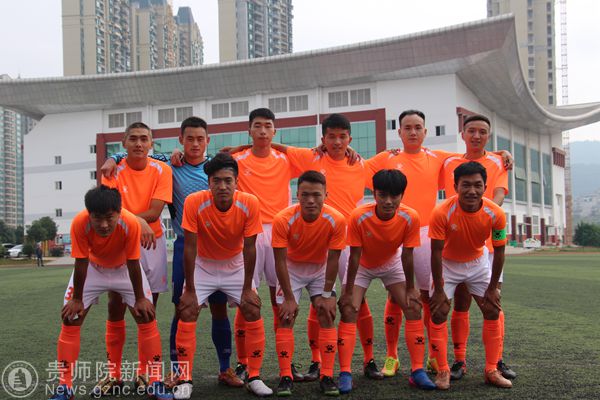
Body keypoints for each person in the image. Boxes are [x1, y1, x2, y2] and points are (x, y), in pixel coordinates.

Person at [100, 117, 242, 388]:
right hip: (185, 244)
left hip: (216, 248)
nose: (195, 144)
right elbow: (137, 151)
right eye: (189, 139)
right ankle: (177, 371)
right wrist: (113, 157)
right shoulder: (169, 164)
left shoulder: (215, 170)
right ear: (181, 140)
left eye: (200, 139)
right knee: (182, 308)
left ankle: (225, 368)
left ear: (208, 141)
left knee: (219, 309)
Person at [268, 113, 382, 380]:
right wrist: (237, 148)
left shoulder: (360, 164)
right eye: (331, 136)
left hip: (348, 240)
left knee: (356, 300)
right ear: (323, 138)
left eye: (342, 137)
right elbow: (274, 145)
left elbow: (390, 174)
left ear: (350, 139)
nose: (337, 142)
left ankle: (368, 359)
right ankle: (316, 361)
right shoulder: (312, 157)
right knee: (318, 303)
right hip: (317, 241)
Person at [48, 185, 172, 400]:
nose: (104, 225)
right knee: (71, 318)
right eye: (97, 218)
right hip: (93, 269)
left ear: (119, 212)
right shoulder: (79, 223)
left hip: (124, 269)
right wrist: (77, 299)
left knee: (146, 316)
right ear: (89, 214)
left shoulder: (130, 222)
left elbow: (133, 262)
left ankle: (155, 382)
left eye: (109, 217)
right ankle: (65, 387)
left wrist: (140, 299)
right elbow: (81, 261)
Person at [174, 152, 272, 398]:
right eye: (216, 181)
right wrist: (190, 290)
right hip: (203, 265)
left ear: (236, 182)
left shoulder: (249, 202)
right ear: (208, 183)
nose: (222, 186)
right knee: (187, 310)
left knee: (252, 308)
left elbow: (250, 248)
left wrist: (248, 288)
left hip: (234, 265)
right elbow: (189, 247)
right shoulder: (194, 202)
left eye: (228, 180)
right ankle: (185, 378)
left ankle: (254, 376)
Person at [338, 169, 436, 393]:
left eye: (394, 195)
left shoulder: (410, 216)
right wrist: (347, 291)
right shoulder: (359, 216)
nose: (388, 201)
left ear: (402, 195)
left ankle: (417, 371)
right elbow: (354, 257)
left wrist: (411, 288)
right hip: (362, 266)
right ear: (374, 193)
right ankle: (345, 372)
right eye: (382, 195)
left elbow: (407, 255)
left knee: (413, 307)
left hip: (391, 264)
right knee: (349, 309)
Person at [441, 114, 516, 380]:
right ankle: (459, 361)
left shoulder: (498, 162)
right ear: (462, 134)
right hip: (457, 243)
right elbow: (420, 157)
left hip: (488, 245)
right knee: (460, 302)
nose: (476, 136)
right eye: (471, 131)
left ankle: (496, 361)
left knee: (493, 301)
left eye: (482, 132)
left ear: (489, 135)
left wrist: (481, 214)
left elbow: (498, 195)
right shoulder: (449, 161)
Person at [99, 122, 172, 393]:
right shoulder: (112, 170)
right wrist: (137, 221)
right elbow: (110, 212)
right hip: (119, 241)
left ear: (151, 143)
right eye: (133, 139)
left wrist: (134, 219)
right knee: (115, 305)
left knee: (147, 308)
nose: (139, 144)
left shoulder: (162, 170)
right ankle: (113, 374)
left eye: (144, 139)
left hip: (151, 242)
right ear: (124, 143)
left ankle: (144, 373)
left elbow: (154, 212)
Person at [428, 161, 512, 390]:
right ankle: (443, 370)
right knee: (439, 311)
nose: (472, 191)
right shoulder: (441, 212)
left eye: (477, 185)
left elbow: (500, 251)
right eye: (466, 185)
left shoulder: (496, 213)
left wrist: (493, 287)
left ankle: (491, 370)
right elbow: (435, 252)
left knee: (492, 309)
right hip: (447, 263)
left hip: (477, 263)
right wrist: (438, 289)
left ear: (485, 187)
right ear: (455, 186)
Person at [271, 171, 346, 396]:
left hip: (319, 270)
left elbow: (333, 259)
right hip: (291, 270)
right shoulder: (283, 219)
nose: (311, 200)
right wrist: (289, 298)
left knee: (326, 313)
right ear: (297, 195)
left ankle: (327, 375)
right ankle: (286, 376)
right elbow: (279, 261)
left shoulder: (336, 219)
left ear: (326, 195)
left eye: (316, 195)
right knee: (286, 316)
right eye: (305, 195)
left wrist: (327, 294)